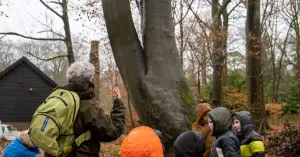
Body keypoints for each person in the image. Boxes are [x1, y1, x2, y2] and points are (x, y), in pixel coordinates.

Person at [44, 61, 126, 157]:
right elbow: (112, 132)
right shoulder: (88, 108)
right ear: (88, 81)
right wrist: (118, 104)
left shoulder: (55, 101)